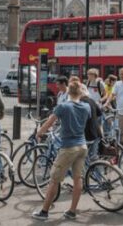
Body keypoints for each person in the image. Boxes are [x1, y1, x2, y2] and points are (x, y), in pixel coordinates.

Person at [32, 81, 91, 221]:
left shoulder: (63, 106)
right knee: (78, 179)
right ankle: (72, 211)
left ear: (68, 92)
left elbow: (49, 122)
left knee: (54, 180)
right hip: (82, 146)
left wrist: (39, 132)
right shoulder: (86, 107)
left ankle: (44, 212)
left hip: (68, 147)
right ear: (81, 92)